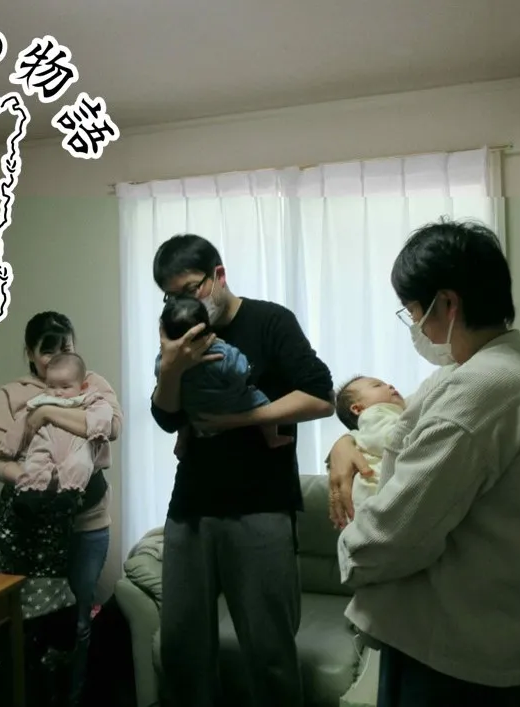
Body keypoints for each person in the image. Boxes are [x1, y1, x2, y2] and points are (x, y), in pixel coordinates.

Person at [327, 219, 520, 707]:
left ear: (448, 304)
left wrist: (349, 547)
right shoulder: (479, 374)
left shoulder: (480, 391)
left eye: (415, 312)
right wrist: (343, 442)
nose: (415, 326)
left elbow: (395, 534)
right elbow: (398, 434)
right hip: (468, 644)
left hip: (459, 661)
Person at [150, 234, 335, 707]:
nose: (184, 302)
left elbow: (321, 395)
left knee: (269, 652)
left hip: (262, 504)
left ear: (219, 275)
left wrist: (239, 420)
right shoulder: (178, 332)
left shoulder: (271, 320)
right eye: (171, 296)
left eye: (191, 288)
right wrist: (171, 367)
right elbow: (167, 417)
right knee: (181, 648)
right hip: (191, 506)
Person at [0, 312, 122, 707]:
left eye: (66, 346)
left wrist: (45, 412)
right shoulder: (13, 393)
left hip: (86, 526)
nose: (58, 356)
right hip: (31, 528)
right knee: (32, 622)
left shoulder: (92, 384)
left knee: (78, 620)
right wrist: (36, 478)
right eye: (47, 350)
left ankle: (73, 696)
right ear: (29, 353)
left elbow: (111, 427)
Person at [0, 352, 116, 577]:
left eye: (65, 387)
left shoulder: (89, 397)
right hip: (45, 444)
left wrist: (98, 430)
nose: (58, 392)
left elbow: (107, 417)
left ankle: (69, 494)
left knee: (79, 463)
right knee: (35, 463)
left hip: (75, 447)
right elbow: (22, 422)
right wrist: (9, 447)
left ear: (82, 386)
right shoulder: (38, 400)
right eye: (52, 386)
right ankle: (30, 493)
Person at [156, 295, 293, 450]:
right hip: (228, 404)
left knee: (184, 416)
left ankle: (181, 441)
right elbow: (241, 371)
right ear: (207, 327)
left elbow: (159, 371)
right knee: (264, 403)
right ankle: (272, 438)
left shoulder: (166, 359)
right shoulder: (220, 353)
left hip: (195, 410)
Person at [333, 368, 452, 513]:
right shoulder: (374, 414)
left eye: (386, 383)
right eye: (377, 385)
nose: (389, 385)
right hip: (374, 493)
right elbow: (391, 440)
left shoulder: (395, 412)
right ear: (358, 409)